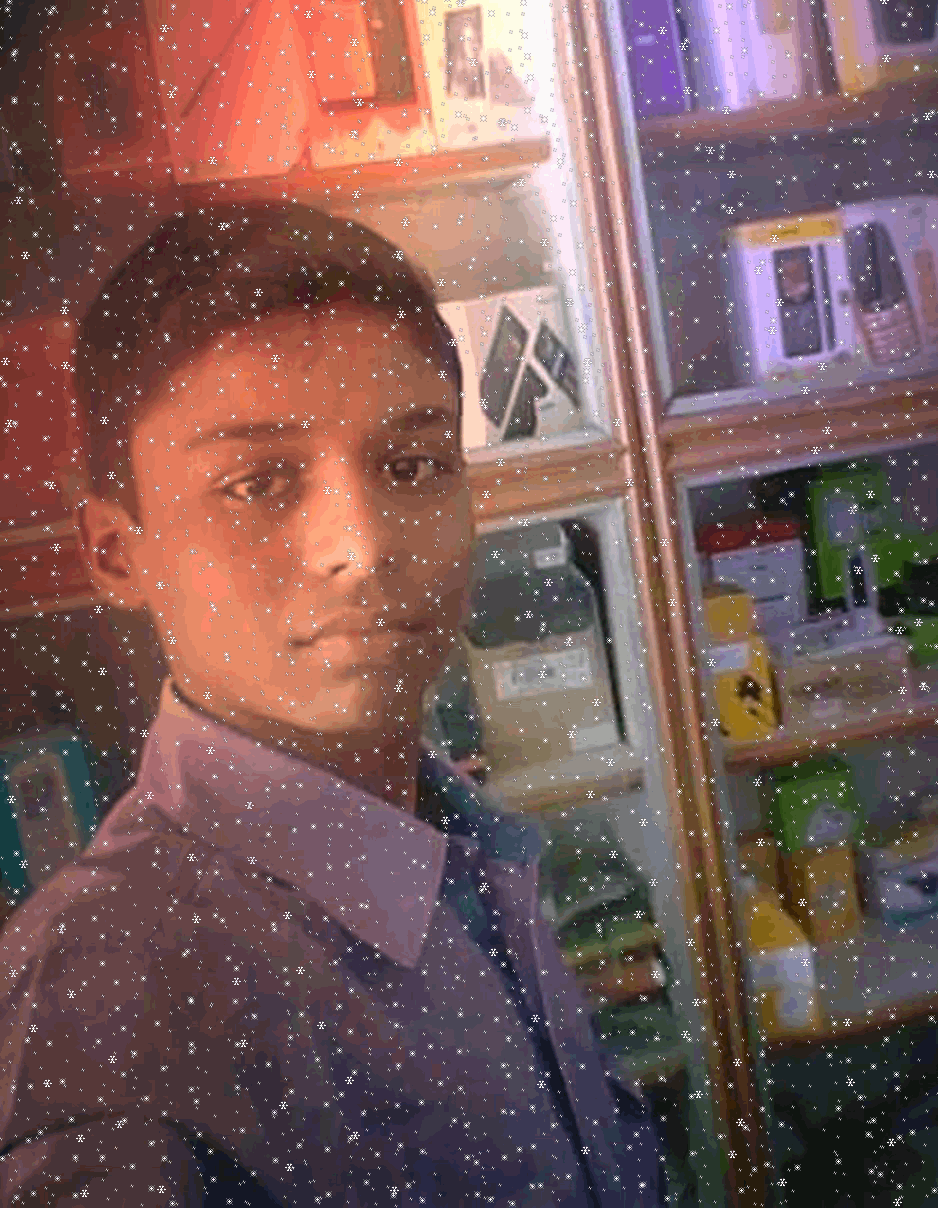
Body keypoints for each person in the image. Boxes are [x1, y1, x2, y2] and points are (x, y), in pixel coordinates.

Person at [0, 204, 663, 1206]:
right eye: (257, 482)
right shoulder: (103, 1024)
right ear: (117, 552)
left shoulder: (458, 843)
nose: (363, 545)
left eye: (412, 466)